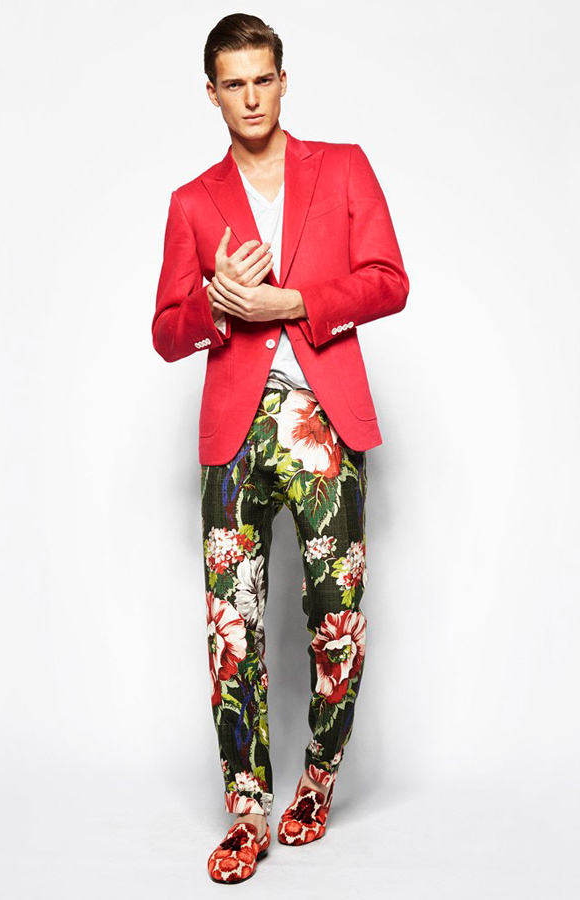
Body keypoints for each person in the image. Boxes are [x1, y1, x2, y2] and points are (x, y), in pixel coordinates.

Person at [152, 12, 410, 885]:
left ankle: (319, 781)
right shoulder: (193, 202)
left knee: (337, 619)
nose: (252, 97)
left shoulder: (342, 167)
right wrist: (218, 307)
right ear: (213, 93)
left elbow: (389, 280)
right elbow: (165, 331)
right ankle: (247, 808)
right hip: (234, 436)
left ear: (284, 80)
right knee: (233, 627)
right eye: (235, 83)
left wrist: (289, 302)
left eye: (264, 78)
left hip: (323, 423)